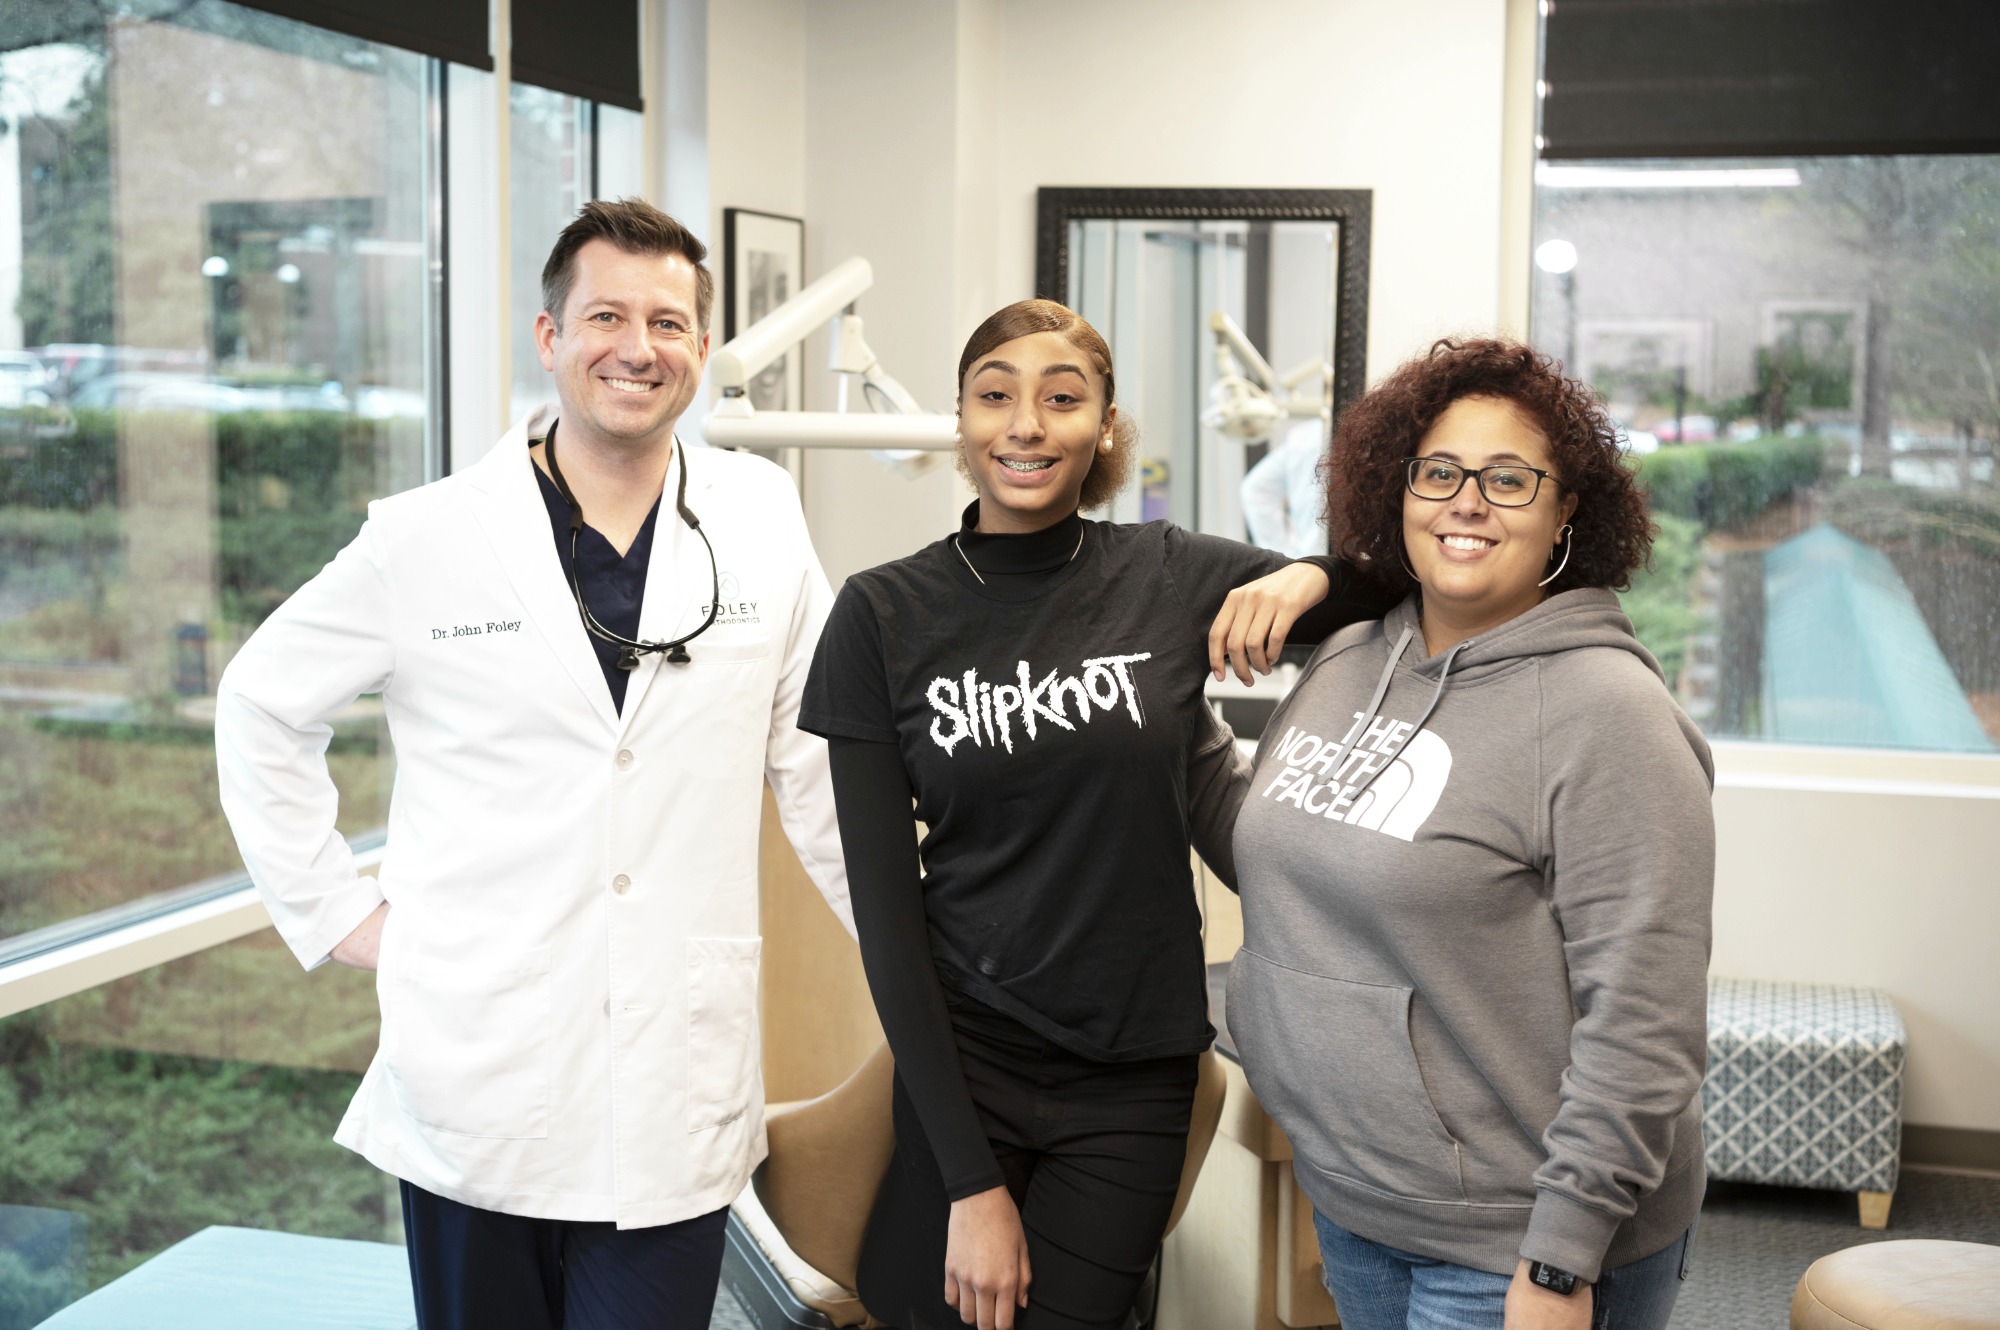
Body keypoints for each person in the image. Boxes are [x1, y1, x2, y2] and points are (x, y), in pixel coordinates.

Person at [214, 199, 849, 1330]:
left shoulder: (759, 513)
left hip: (674, 1076)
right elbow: (261, 703)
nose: (637, 346)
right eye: (605, 314)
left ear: (700, 347)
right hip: (480, 1070)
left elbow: (817, 768)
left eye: (668, 320)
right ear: (551, 337)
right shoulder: (427, 536)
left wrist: (936, 952)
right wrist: (332, 910)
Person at [797, 298, 1395, 1330]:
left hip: (1131, 1074)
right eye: (995, 395)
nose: (1025, 424)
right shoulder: (880, 614)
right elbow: (890, 923)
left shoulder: (1165, 575)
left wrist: (1303, 570)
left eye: (1060, 398)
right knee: (913, 1308)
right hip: (966, 1055)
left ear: (1105, 426)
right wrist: (968, 1183)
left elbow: (1392, 586)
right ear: (960, 420)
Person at [1222, 337, 1714, 1330]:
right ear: (1396, 489)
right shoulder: (1353, 657)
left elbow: (1643, 1025)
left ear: (1566, 507)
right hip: (1360, 1199)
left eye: (1508, 478)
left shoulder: (1605, 712)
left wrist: (1560, 1261)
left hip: (1518, 1240)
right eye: (1439, 471)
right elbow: (1274, 843)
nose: (1466, 501)